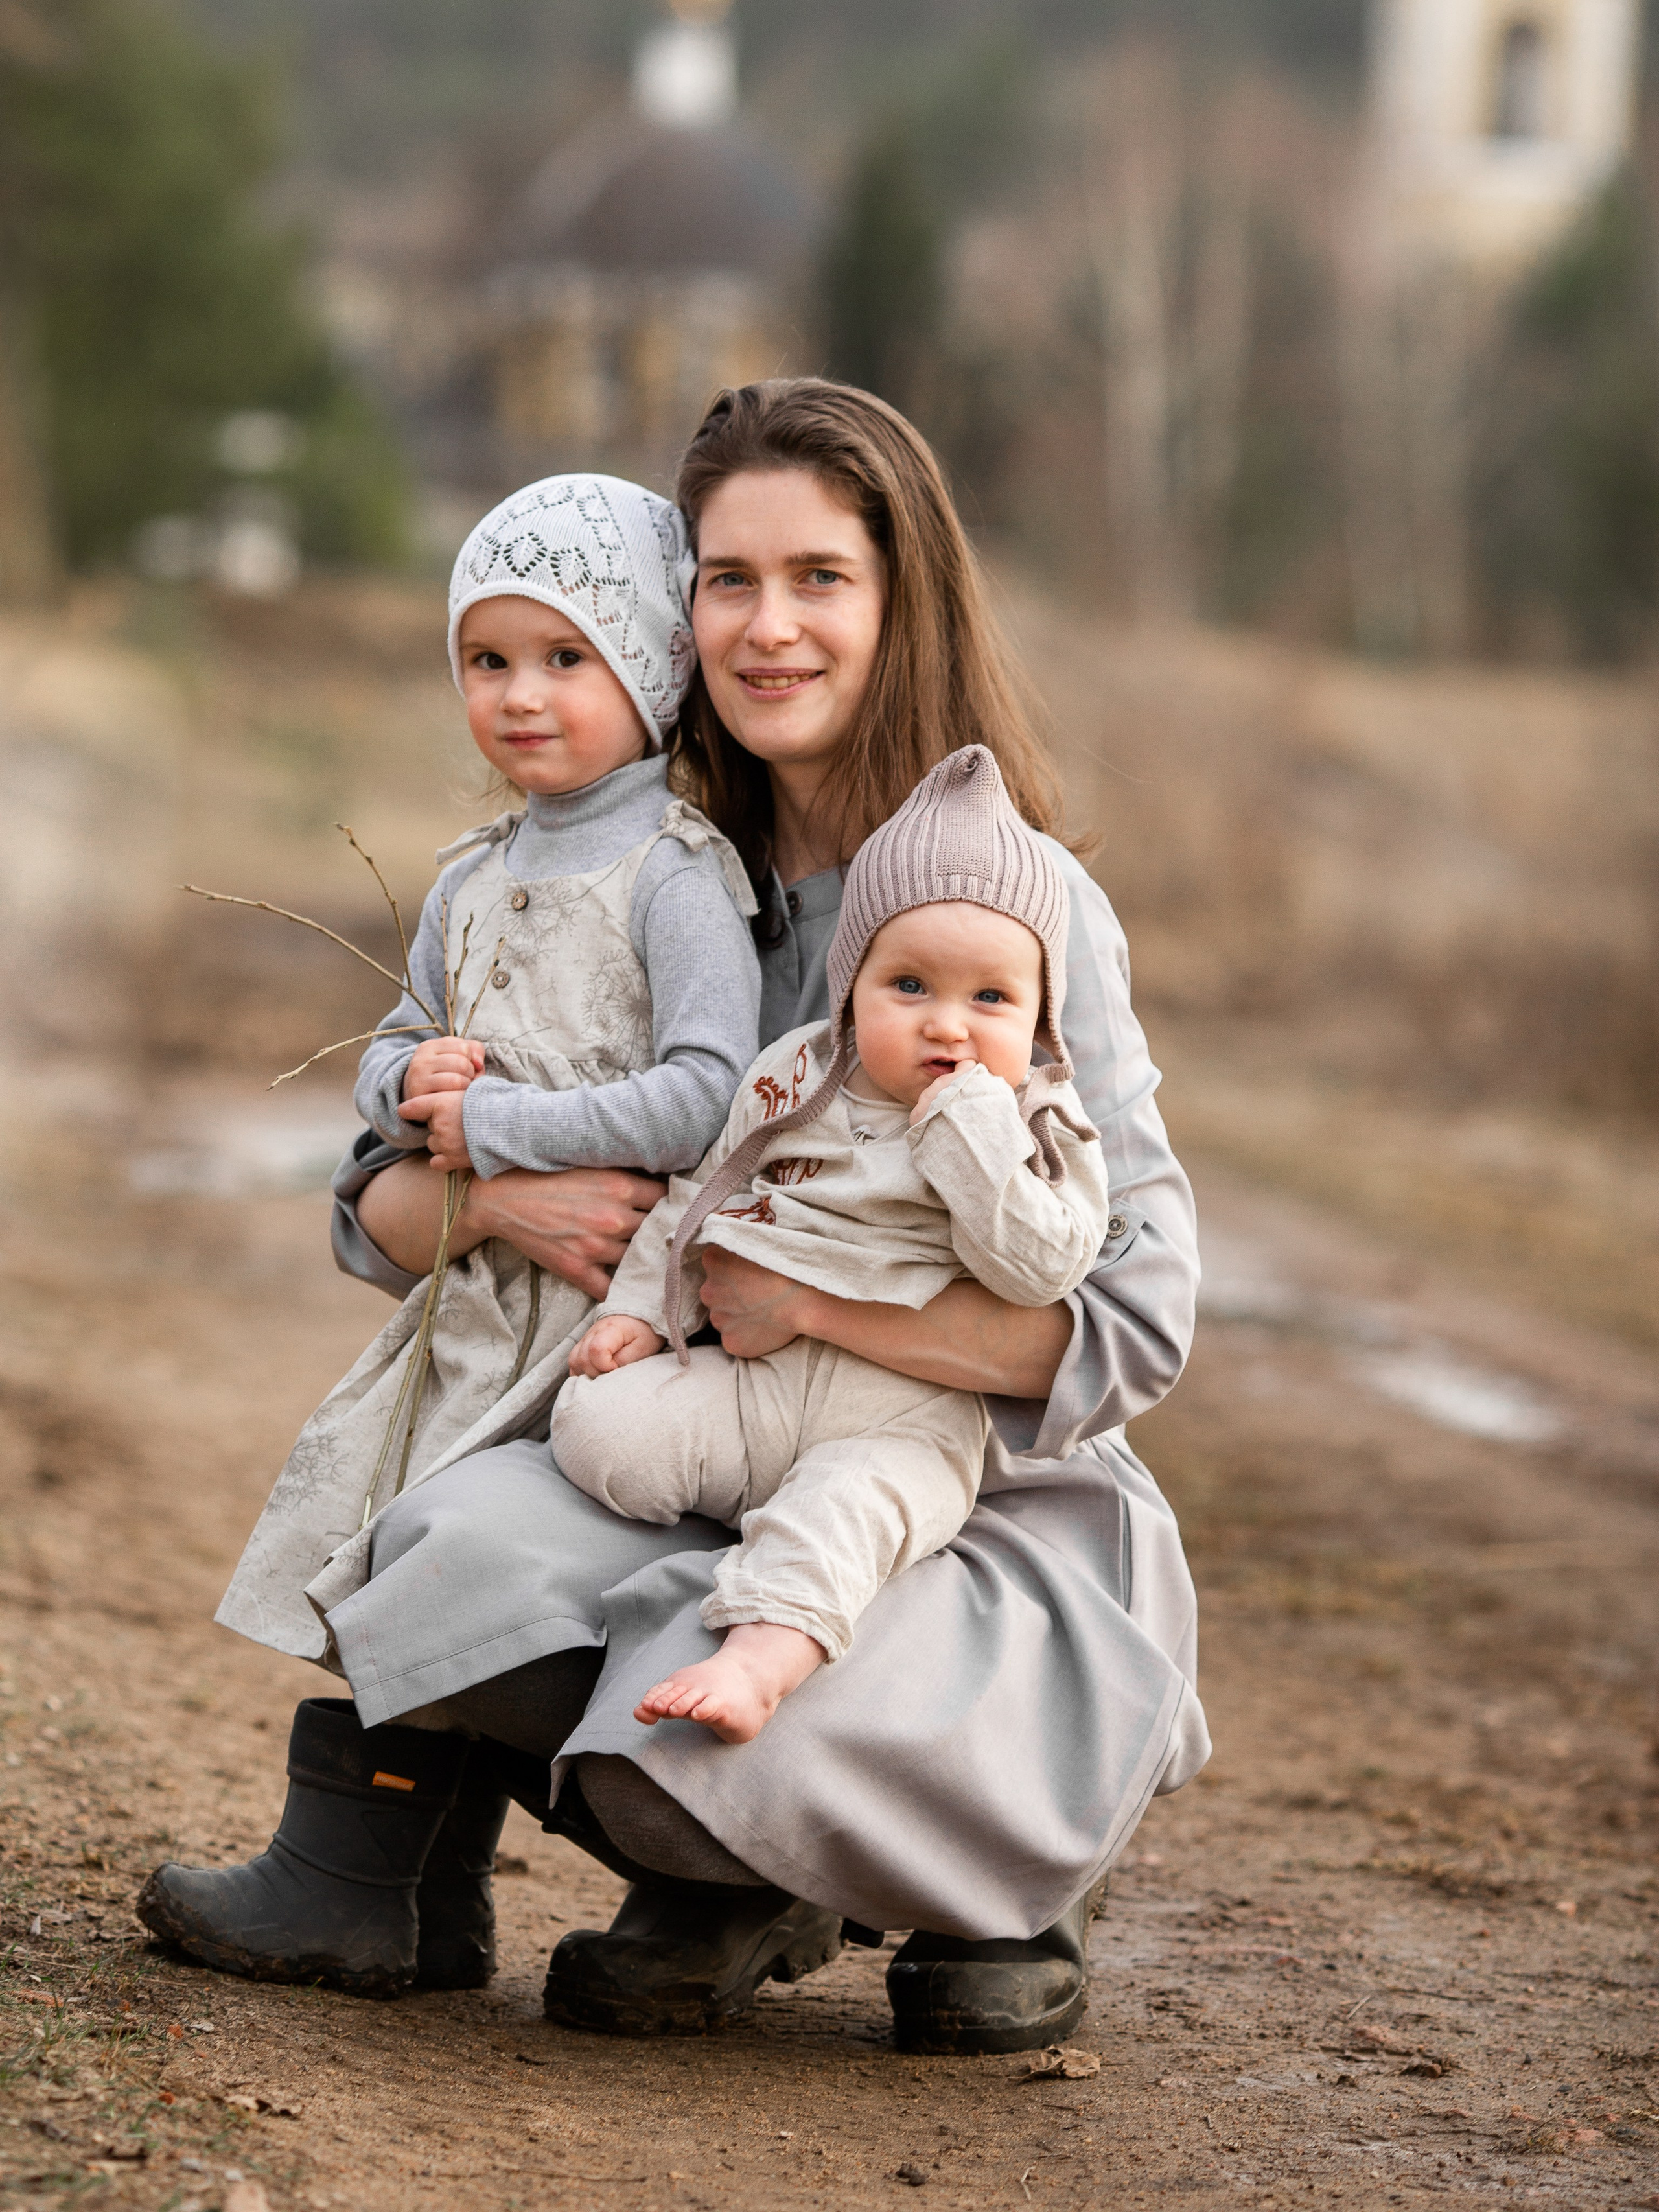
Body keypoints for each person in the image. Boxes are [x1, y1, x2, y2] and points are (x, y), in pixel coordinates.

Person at [139, 380, 1209, 2055]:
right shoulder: (648, 858)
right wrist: (492, 1185)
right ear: (677, 605)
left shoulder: (1011, 908)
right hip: (705, 1431)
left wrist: (811, 1305)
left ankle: (1000, 1856)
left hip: (950, 1464)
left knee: (778, 1671)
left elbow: (1136, 1316)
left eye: (820, 578)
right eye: (728, 578)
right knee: (447, 1549)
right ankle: (708, 1864)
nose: (769, 625)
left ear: (900, 592)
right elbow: (376, 1220)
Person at [210, 472, 762, 1670]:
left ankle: (385, 1834)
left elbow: (707, 1096)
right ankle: (369, 1837)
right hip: (470, 1307)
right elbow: (395, 1047)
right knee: (364, 1537)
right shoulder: (468, 874)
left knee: (455, 1563)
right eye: (487, 660)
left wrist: (500, 1120)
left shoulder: (675, 876)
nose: (520, 696)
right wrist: (407, 1090)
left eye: (566, 658)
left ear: (653, 666)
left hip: (601, 1313)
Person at [553, 747, 1111, 1744]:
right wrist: (638, 1312)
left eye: (991, 1000)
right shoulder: (794, 1076)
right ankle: (729, 1513)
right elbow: (701, 1192)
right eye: (909, 985)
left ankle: (758, 1662)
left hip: (903, 1416)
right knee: (602, 1426)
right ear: (851, 985)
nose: (949, 1025)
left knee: (847, 1509)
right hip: (761, 1387)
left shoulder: (1039, 1121)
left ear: (1040, 1017)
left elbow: (1044, 1267)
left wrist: (968, 1130)